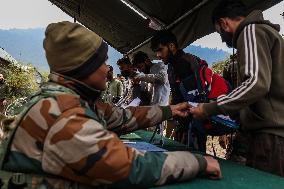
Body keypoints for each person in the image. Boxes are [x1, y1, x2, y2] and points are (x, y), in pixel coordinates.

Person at [0, 21, 221, 188]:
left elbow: (122, 117)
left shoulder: (71, 99)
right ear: (84, 68)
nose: (108, 69)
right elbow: (128, 168)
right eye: (102, 62)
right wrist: (199, 163)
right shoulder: (62, 113)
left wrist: (169, 109)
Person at [190, 0, 284, 176]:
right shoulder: (264, 33)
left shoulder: (250, 31)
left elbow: (256, 83)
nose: (222, 38)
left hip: (269, 137)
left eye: (219, 33)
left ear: (224, 23)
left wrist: (210, 108)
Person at [150, 30, 229, 152]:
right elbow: (178, 97)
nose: (158, 55)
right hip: (183, 123)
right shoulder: (171, 67)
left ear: (171, 46)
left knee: (194, 158)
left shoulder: (186, 62)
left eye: (160, 50)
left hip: (195, 124)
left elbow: (198, 99)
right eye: (156, 52)